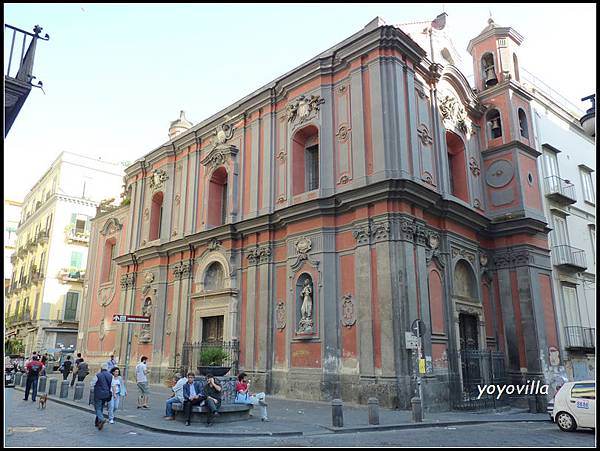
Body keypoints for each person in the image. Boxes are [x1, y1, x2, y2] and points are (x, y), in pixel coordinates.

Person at [91, 363, 113, 430]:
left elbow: (92, 383)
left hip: (98, 394)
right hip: (107, 394)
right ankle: (98, 422)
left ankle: (101, 419)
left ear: (101, 368)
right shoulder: (110, 375)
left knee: (97, 408)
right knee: (101, 408)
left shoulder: (98, 375)